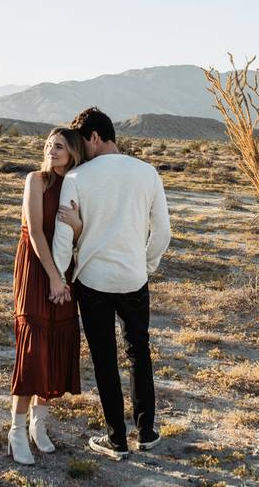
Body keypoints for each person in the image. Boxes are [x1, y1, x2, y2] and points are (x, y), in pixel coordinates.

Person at [52, 107, 171, 460]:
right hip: (134, 278)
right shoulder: (147, 173)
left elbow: (62, 235)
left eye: (81, 142)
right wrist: (146, 264)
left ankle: (116, 439)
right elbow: (162, 231)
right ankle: (146, 431)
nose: (80, 151)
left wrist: (58, 277)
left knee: (105, 358)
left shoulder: (77, 179)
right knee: (139, 351)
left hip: (93, 280)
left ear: (94, 137)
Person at [7, 127, 85, 465]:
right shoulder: (35, 180)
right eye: (49, 145)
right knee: (33, 347)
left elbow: (81, 235)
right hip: (37, 270)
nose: (52, 151)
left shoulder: (75, 185)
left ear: (73, 154)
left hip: (62, 271)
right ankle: (16, 431)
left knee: (53, 344)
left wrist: (79, 226)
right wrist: (55, 278)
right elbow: (35, 231)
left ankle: (40, 424)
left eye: (60, 147)